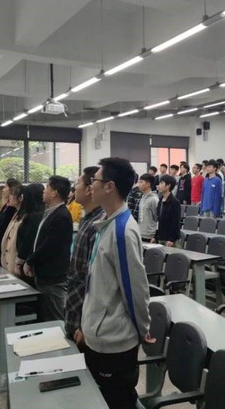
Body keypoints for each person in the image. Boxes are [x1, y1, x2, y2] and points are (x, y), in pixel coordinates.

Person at [75, 157, 152, 409]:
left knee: (118, 401)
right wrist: (85, 324)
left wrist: (142, 328)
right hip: (98, 332)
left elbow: (135, 289)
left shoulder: (122, 231)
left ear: (109, 186)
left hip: (114, 340)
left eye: (95, 181)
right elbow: (96, 285)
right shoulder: (106, 225)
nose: (90, 187)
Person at [23, 176, 74, 321]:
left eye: (47, 188)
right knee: (45, 316)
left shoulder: (62, 216)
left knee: (54, 318)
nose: (43, 191)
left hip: (53, 277)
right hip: (43, 274)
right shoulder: (51, 212)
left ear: (55, 193)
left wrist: (30, 261)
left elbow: (50, 246)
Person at [65, 166, 104, 340]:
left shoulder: (98, 223)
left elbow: (93, 279)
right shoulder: (86, 219)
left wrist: (84, 322)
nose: (75, 187)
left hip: (83, 310)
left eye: (78, 183)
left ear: (89, 189)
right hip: (74, 301)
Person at [4, 185, 43, 278]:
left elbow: (28, 240)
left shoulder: (34, 216)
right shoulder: (24, 213)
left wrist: (19, 261)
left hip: (24, 261)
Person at [0, 179, 19, 264]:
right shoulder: (6, 205)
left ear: (11, 188)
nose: (3, 190)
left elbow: (3, 227)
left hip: (4, 244)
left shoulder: (12, 208)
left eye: (5, 187)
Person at [154, 175, 181, 246]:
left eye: (161, 183)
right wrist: (155, 236)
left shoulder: (174, 202)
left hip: (170, 239)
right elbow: (158, 220)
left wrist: (171, 239)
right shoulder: (160, 200)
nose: (159, 186)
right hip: (161, 236)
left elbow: (175, 222)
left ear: (168, 185)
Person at [137, 174, 159, 242]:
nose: (139, 184)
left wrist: (155, 236)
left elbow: (157, 218)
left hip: (150, 235)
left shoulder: (154, 199)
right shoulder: (142, 197)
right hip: (140, 232)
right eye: (139, 182)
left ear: (148, 184)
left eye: (141, 182)